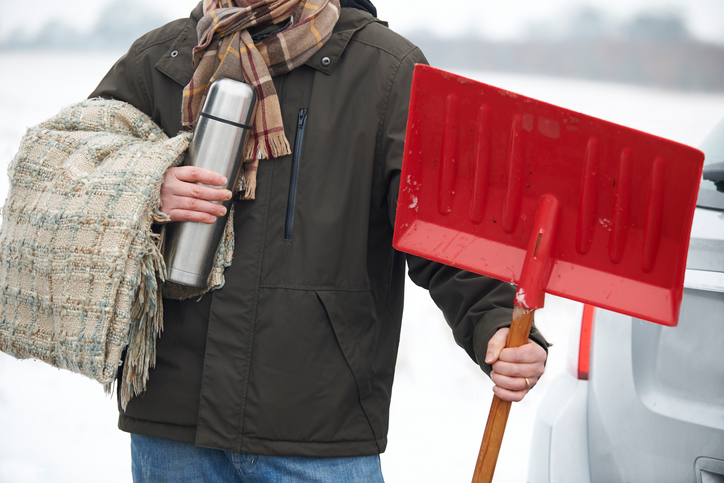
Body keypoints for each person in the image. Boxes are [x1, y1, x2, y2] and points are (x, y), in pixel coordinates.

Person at [89, 0, 548, 480]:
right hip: (173, 425)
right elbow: (72, 168)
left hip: (317, 427)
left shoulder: (385, 70)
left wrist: (493, 319)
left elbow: (440, 226)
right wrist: (143, 183)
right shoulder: (162, 59)